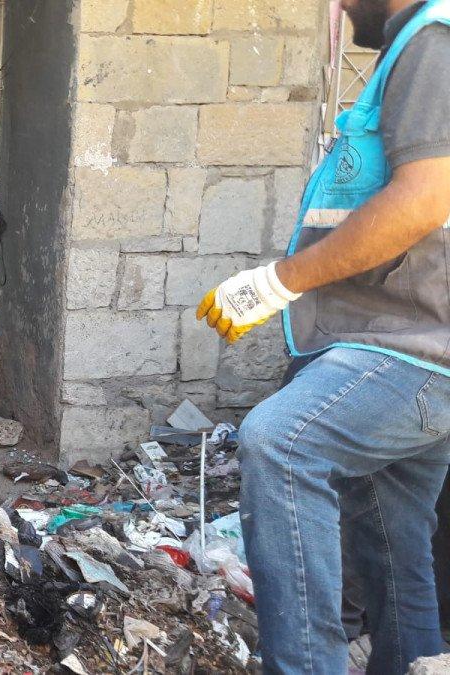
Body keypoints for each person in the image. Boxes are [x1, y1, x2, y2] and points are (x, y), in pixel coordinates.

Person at [195, 0, 450, 671]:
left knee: (279, 443)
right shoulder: (411, 50)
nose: (336, 5)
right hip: (391, 347)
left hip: (405, 349)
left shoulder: (435, 39)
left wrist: (280, 281)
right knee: (395, 550)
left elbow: (426, 196)